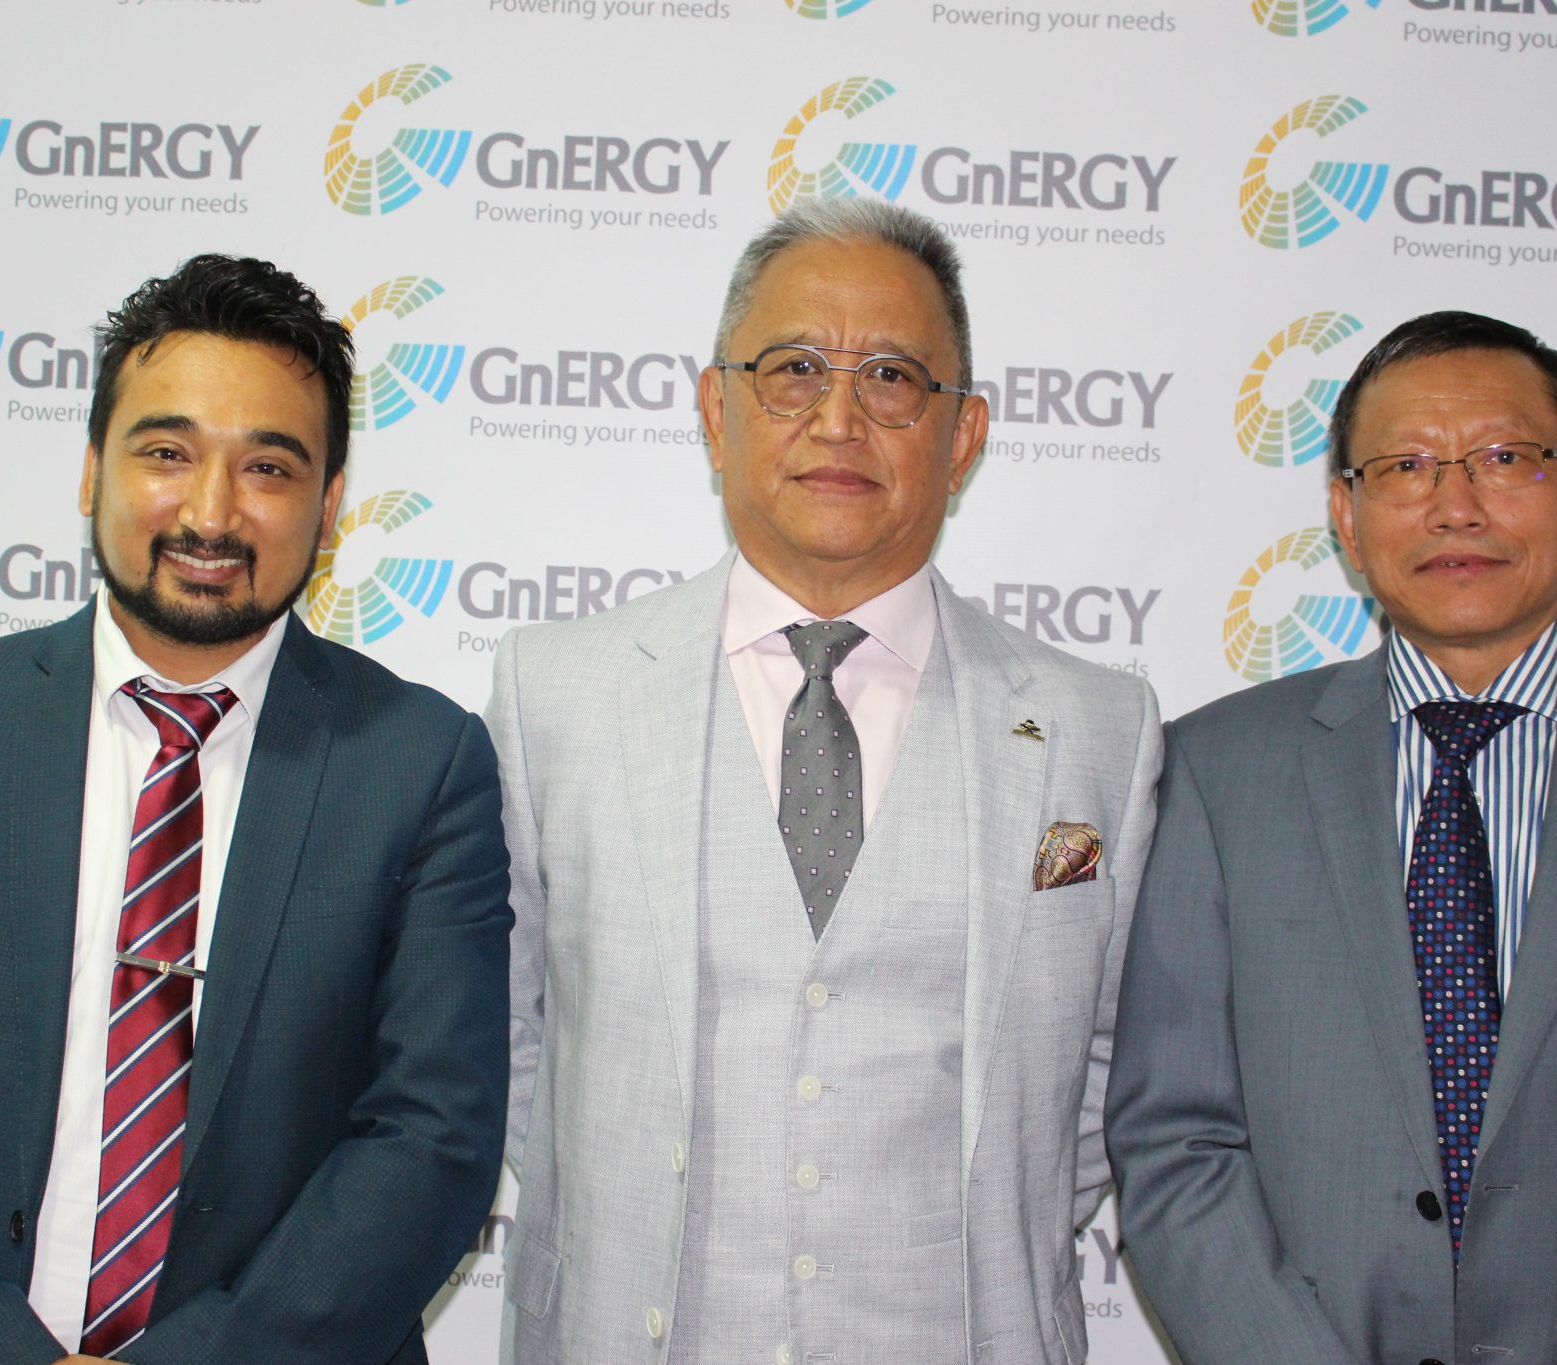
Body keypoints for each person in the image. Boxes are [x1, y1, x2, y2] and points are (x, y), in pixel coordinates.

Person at [0, 254, 512, 1364]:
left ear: (330, 506)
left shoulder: (420, 763)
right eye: (167, 453)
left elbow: (431, 1137)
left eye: (268, 467)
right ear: (90, 470)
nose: (211, 512)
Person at [486, 197, 1162, 1364]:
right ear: (716, 411)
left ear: (961, 436)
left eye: (891, 378)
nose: (838, 418)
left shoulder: (1097, 727)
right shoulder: (554, 692)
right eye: (793, 370)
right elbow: (506, 1038)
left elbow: (1111, 1070)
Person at [1105, 310, 1557, 1363]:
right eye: (1405, 467)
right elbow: (1174, 1142)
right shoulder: (1215, 771)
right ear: (1346, 516)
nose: (1454, 504)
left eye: (1505, 458)